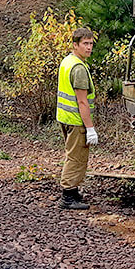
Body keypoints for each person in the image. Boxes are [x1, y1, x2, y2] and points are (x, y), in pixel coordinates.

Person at [55, 27, 97, 209]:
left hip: (65, 117)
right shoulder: (78, 68)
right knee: (76, 158)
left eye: (91, 44)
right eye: (85, 44)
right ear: (75, 45)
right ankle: (68, 196)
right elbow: (82, 102)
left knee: (72, 155)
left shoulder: (68, 61)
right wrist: (90, 128)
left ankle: (72, 192)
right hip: (75, 120)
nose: (89, 48)